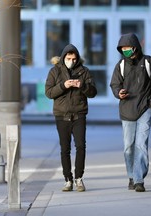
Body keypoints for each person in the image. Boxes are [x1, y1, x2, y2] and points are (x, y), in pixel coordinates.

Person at [110, 33, 151, 192]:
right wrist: (118, 92)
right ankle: (131, 176)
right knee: (129, 147)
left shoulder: (148, 62)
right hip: (126, 110)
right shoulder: (120, 65)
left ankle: (139, 179)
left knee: (141, 145)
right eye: (122, 48)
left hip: (144, 109)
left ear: (135, 46)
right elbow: (114, 84)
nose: (125, 50)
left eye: (127, 47)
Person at [45, 44, 97, 192]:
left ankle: (79, 178)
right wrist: (64, 85)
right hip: (61, 115)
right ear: (63, 58)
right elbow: (49, 93)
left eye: (74, 59)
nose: (71, 61)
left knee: (81, 146)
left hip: (79, 114)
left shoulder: (84, 71)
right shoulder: (55, 71)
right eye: (69, 59)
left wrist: (82, 85)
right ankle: (68, 179)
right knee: (65, 148)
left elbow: (93, 92)